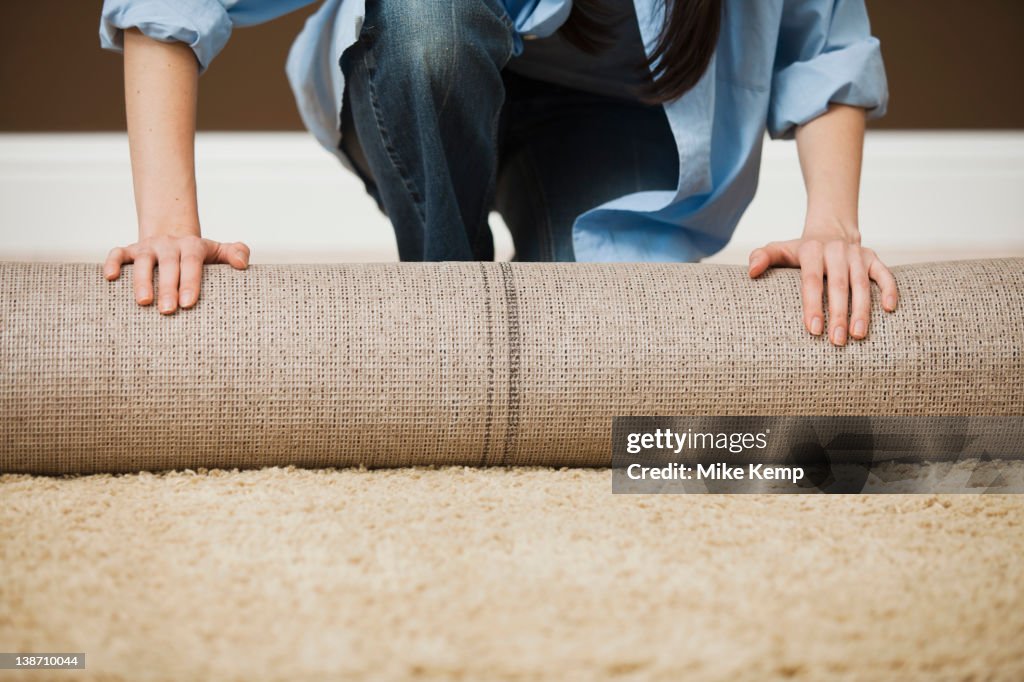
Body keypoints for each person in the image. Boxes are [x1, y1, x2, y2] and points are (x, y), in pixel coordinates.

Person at [99, 0, 899, 346]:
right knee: (430, 28)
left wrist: (832, 225)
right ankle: (446, 307)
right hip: (427, 62)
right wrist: (169, 228)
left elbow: (822, 41)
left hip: (611, 116)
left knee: (596, 352)